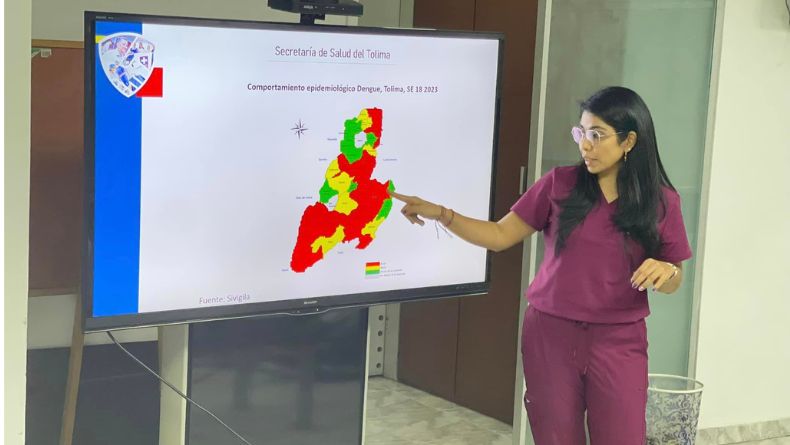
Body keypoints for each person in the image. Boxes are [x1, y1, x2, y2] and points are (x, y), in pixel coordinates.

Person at [390, 86, 692, 445]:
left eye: (597, 135)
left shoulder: (661, 201)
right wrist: (442, 213)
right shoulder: (559, 184)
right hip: (550, 335)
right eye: (581, 133)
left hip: (619, 341)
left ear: (629, 141)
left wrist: (667, 271)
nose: (585, 145)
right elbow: (500, 235)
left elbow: (674, 276)